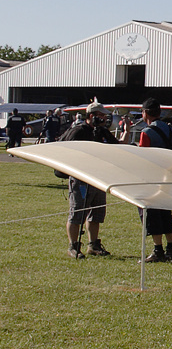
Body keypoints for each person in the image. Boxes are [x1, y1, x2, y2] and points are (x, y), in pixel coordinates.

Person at [60, 101, 118, 258]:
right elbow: (64, 150)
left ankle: (93, 245)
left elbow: (117, 147)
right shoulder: (78, 131)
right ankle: (73, 246)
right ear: (92, 116)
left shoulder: (101, 132)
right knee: (77, 211)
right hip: (80, 179)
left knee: (97, 213)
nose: (105, 118)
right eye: (101, 115)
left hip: (98, 178)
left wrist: (126, 130)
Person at [134, 98, 172, 262]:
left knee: (152, 213)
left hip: (152, 178)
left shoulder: (146, 132)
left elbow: (143, 157)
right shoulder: (169, 129)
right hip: (167, 176)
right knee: (166, 212)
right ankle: (170, 249)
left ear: (145, 113)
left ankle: (157, 250)